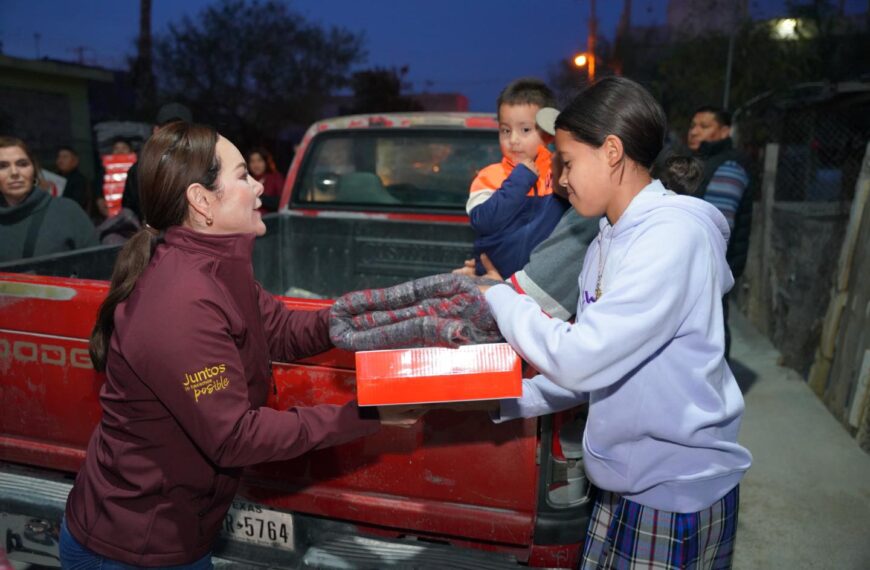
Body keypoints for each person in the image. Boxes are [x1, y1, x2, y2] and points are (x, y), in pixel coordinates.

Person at [60, 122, 418, 568]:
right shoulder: (180, 302)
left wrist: (371, 315)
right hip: (134, 546)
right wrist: (366, 413)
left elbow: (283, 331)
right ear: (202, 200)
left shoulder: (216, 269)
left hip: (178, 532)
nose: (259, 187)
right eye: (243, 175)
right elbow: (234, 437)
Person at [478, 78, 751, 569]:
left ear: (611, 151)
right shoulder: (607, 237)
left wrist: (499, 297)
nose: (560, 179)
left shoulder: (671, 239)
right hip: (624, 477)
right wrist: (499, 399)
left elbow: (581, 360)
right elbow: (601, 370)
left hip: (672, 490)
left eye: (567, 161)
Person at [466, 78, 567, 278]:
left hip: (542, 288)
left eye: (525, 130)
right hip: (494, 283)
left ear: (548, 134)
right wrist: (520, 180)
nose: (513, 140)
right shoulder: (489, 176)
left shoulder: (561, 176)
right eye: (505, 130)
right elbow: (483, 222)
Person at [688, 105, 753, 358]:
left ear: (725, 131)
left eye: (704, 126)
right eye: (693, 126)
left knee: (709, 336)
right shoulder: (704, 163)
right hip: (705, 267)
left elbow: (718, 229)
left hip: (711, 268)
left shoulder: (729, 166)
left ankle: (714, 392)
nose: (694, 132)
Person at [0, 136, 98, 262]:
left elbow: (97, 267)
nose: (14, 172)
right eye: (2, 166)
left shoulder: (68, 212)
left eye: (22, 164)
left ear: (34, 170)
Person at [122, 102, 193, 222]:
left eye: (180, 129)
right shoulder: (139, 171)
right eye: (168, 128)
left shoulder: (204, 165)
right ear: (156, 131)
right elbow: (129, 211)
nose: (174, 134)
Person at [56, 145, 95, 218]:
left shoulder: (80, 181)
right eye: (59, 157)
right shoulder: (54, 178)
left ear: (75, 161)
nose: (60, 160)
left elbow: (76, 205)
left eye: (65, 157)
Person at [247, 146, 284, 212]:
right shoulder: (246, 180)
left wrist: (258, 198)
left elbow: (282, 201)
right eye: (252, 161)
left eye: (259, 160)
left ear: (266, 162)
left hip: (269, 220)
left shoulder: (275, 177)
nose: (256, 165)